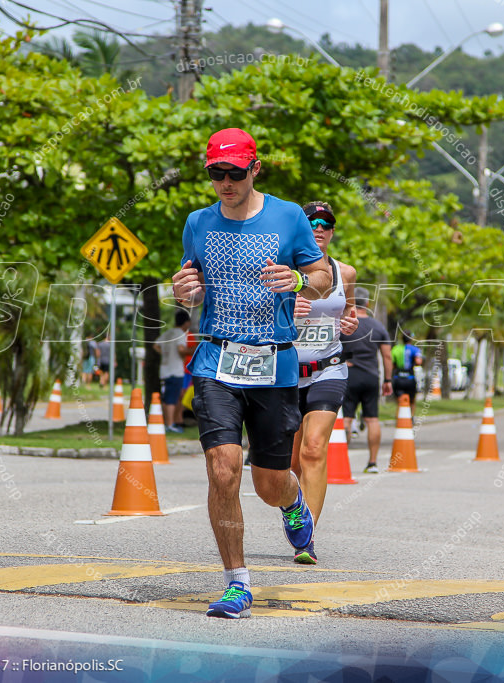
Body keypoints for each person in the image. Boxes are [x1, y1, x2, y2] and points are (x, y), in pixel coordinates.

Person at [171, 128, 332, 619]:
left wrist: (302, 278)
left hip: (274, 365)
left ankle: (293, 503)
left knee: (268, 483)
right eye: (216, 173)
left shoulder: (288, 217)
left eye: (234, 173)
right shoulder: (197, 222)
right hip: (216, 360)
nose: (225, 182)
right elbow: (190, 287)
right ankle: (237, 583)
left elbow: (325, 279)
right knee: (223, 466)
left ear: (255, 168)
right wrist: (184, 289)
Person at [289, 200, 358, 565]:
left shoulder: (345, 272)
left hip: (328, 368)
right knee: (288, 465)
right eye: (311, 220)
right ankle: (294, 511)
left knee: (313, 449)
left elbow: (349, 312)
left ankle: (306, 539)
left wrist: (350, 323)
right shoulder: (283, 269)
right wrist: (285, 308)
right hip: (285, 374)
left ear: (332, 230)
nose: (318, 227)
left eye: (326, 222)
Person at [340, 287, 393, 473]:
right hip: (371, 376)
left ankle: (341, 461)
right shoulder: (378, 326)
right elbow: (387, 356)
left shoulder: (345, 323)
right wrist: (388, 380)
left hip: (349, 375)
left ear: (353, 303)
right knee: (372, 419)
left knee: (346, 418)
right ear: (368, 304)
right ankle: (372, 463)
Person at [153, 310, 191, 433]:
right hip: (176, 370)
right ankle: (170, 424)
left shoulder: (168, 333)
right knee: (172, 399)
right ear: (186, 322)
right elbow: (181, 349)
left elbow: (155, 345)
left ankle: (167, 422)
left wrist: (165, 354)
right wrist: (192, 351)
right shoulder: (180, 333)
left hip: (164, 369)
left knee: (167, 397)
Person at [391, 331, 425, 416]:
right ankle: (411, 418)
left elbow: (391, 364)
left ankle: (399, 419)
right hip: (410, 378)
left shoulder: (396, 349)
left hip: (398, 378)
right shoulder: (414, 349)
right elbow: (418, 361)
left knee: (399, 402)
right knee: (412, 401)